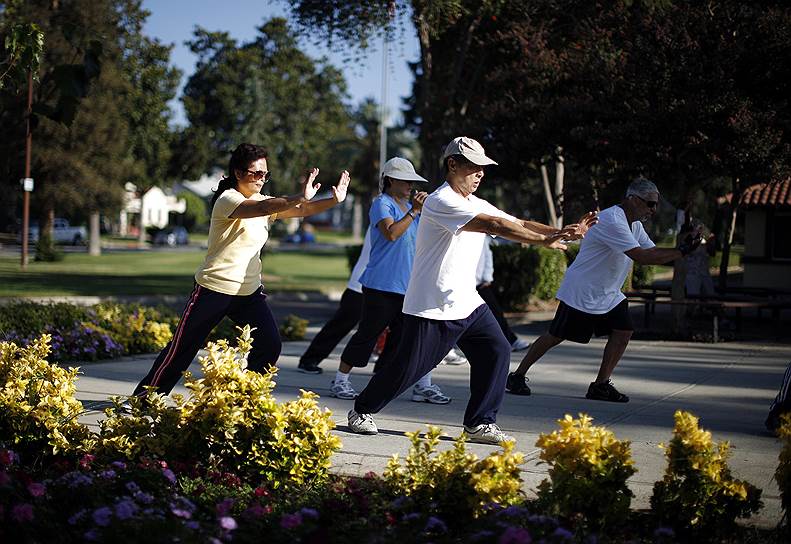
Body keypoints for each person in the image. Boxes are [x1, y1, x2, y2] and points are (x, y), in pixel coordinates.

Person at [347, 136, 596, 444]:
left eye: (483, 168)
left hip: (467, 302)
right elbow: (494, 226)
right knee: (407, 369)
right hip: (433, 305)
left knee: (497, 349)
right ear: (452, 165)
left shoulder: (473, 201)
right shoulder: (441, 202)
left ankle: (479, 422)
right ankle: (361, 409)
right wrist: (544, 241)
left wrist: (560, 232)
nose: (481, 173)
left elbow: (516, 222)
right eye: (474, 167)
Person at [131, 143, 349, 398]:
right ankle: (143, 400)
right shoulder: (228, 200)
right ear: (238, 172)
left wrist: (333, 199)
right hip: (214, 289)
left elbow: (303, 210)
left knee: (269, 345)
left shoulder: (265, 201)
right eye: (256, 173)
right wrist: (299, 196)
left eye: (265, 174)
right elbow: (263, 209)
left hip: (248, 293)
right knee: (182, 349)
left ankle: (244, 398)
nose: (261, 179)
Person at [506, 177, 701, 402]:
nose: (653, 210)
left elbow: (654, 253)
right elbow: (642, 257)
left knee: (624, 332)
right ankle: (517, 376)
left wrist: (684, 245)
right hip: (583, 291)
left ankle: (600, 385)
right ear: (632, 199)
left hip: (609, 294)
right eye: (650, 204)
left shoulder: (635, 226)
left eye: (656, 204)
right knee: (555, 335)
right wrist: (682, 251)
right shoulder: (611, 220)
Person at [329, 157, 451, 405]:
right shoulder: (381, 203)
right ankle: (340, 380)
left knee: (407, 339)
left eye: (413, 182)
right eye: (406, 181)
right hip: (380, 286)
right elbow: (392, 233)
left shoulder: (410, 208)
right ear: (391, 180)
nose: (411, 186)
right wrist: (414, 211)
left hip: (408, 287)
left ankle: (407, 384)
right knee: (367, 335)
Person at [297, 227, 398, 374]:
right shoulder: (385, 208)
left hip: (392, 285)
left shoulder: (410, 213)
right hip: (363, 283)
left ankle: (384, 367)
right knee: (343, 322)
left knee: (398, 327)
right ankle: (309, 359)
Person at [440, 237, 529, 366]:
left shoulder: (482, 235)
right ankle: (447, 349)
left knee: (494, 313)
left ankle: (510, 340)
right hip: (461, 284)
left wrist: (487, 277)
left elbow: (488, 255)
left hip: (480, 284)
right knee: (451, 316)